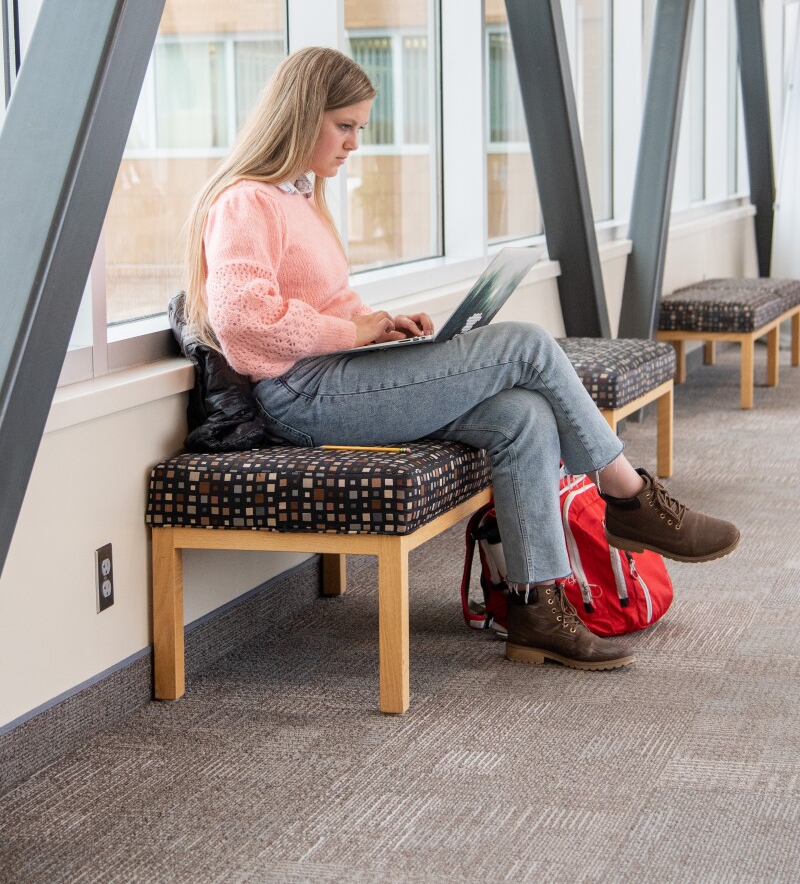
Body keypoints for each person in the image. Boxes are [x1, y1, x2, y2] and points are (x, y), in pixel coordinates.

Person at [185, 46, 741, 672]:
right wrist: (353, 330)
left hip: (335, 376)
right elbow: (242, 322)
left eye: (360, 129)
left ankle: (536, 609)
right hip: (301, 396)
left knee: (523, 413)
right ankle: (628, 497)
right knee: (528, 343)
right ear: (300, 114)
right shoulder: (245, 202)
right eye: (345, 126)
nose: (354, 145)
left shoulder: (303, 197)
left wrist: (382, 326)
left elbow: (323, 305)